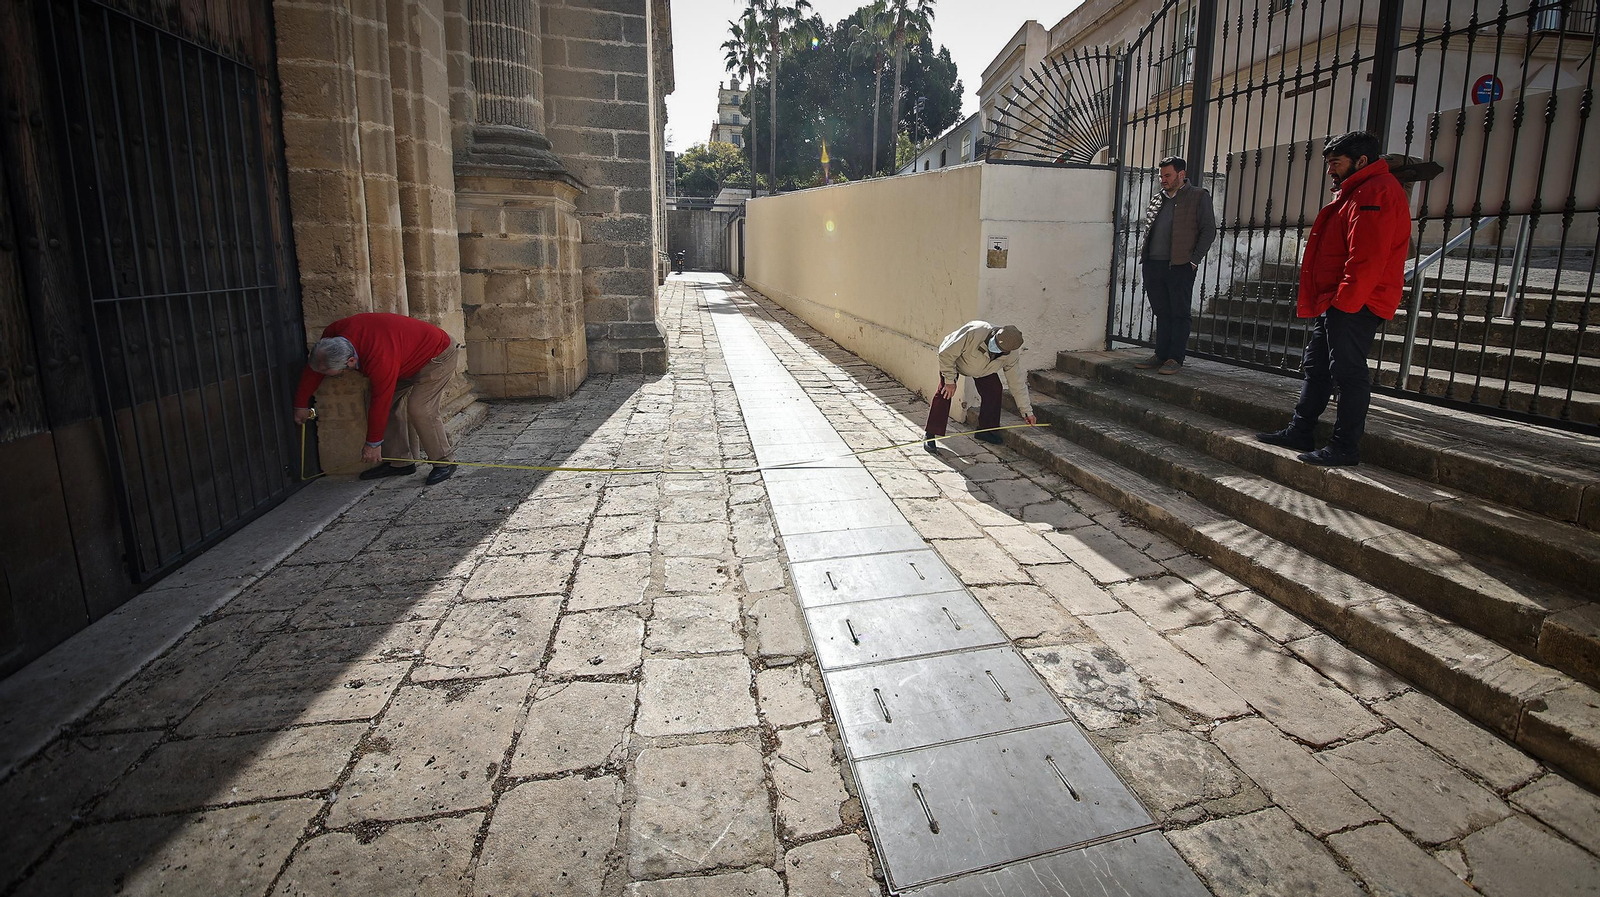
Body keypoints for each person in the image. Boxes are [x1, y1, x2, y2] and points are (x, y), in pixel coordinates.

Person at [1255, 130, 1411, 466]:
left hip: (1356, 301)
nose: (1330, 170)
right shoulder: (1356, 191)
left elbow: (1367, 258)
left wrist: (1344, 303)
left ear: (1362, 161)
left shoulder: (1376, 192)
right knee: (1317, 366)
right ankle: (1301, 430)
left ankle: (1344, 447)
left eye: (1335, 163)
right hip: (1341, 299)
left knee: (1348, 373)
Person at [292, 313, 461, 485]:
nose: (340, 377)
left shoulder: (379, 358)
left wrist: (372, 445)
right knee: (375, 402)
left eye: (339, 375)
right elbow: (316, 368)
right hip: (404, 360)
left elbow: (382, 400)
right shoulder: (331, 337)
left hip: (438, 356)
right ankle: (399, 462)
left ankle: (444, 461)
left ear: (351, 361)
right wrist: (300, 405)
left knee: (420, 408)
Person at [1135, 156, 1217, 374]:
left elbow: (1209, 230)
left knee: (1179, 312)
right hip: (1154, 263)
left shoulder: (1198, 196)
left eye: (1167, 175)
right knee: (1161, 311)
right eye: (1161, 175)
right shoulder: (1157, 199)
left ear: (1181, 175)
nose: (1163, 179)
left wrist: (1193, 260)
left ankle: (1175, 358)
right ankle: (1161, 354)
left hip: (1180, 264)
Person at [925, 322, 1037, 453]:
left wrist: (1027, 411)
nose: (996, 348)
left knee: (994, 390)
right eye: (996, 344)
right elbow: (946, 353)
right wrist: (950, 380)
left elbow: (1016, 382)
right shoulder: (975, 331)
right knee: (945, 392)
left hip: (983, 370)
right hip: (954, 363)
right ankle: (930, 434)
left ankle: (986, 431)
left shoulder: (1011, 355)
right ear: (995, 334)